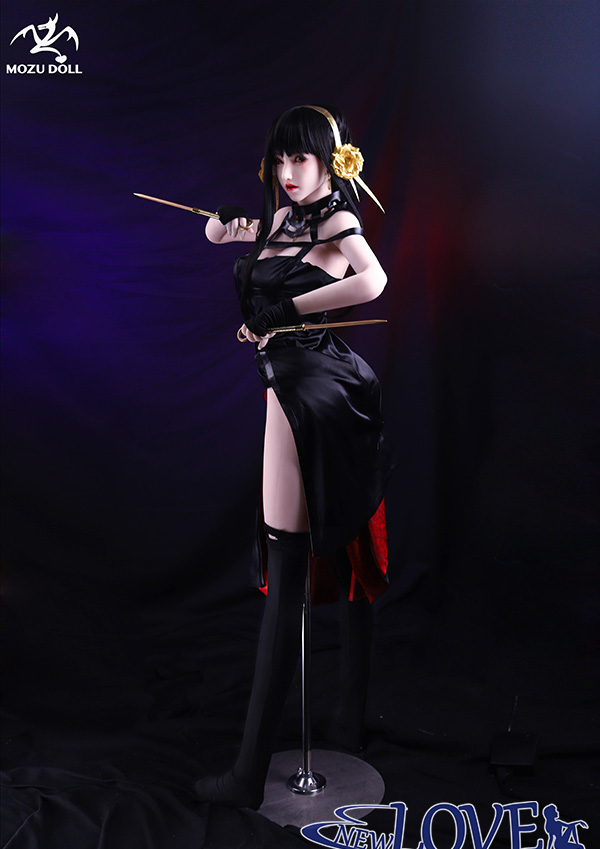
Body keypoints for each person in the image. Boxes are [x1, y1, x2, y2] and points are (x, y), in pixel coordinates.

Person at [194, 104, 397, 809]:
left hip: (311, 389)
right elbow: (255, 248)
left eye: (300, 160)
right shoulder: (284, 218)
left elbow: (373, 282)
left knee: (288, 569)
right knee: (295, 559)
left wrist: (288, 313)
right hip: (288, 381)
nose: (287, 173)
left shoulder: (338, 220)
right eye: (279, 160)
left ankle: (248, 775)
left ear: (329, 161)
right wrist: (226, 232)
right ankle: (344, 722)